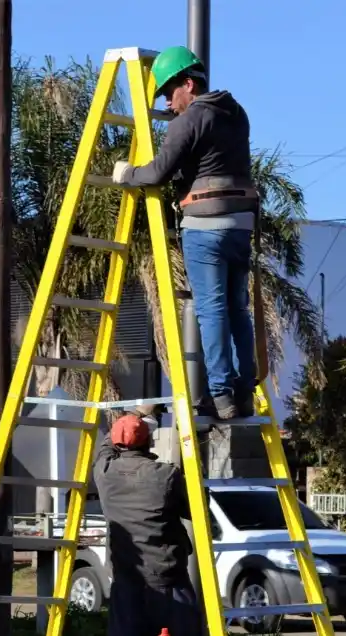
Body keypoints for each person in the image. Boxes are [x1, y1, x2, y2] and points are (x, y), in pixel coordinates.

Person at [112, 45, 259, 421]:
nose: (167, 103)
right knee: (238, 310)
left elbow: (156, 173)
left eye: (169, 93)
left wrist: (127, 174)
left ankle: (221, 395)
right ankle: (243, 391)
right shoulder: (237, 114)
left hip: (205, 225)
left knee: (212, 310)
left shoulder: (189, 121)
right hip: (241, 224)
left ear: (188, 85)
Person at [93, 406, 221, 636]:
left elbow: (104, 448)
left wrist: (137, 413)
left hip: (129, 585)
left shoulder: (106, 475)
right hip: (170, 581)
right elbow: (195, 508)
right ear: (149, 441)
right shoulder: (165, 475)